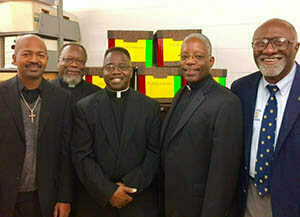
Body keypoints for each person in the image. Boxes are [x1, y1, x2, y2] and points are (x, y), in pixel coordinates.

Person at [71, 47, 161, 217]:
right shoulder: (84, 108)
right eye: (110, 67)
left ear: (131, 71)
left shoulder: (150, 107)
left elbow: (154, 153)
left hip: (137, 199)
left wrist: (128, 186)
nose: (116, 71)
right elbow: (81, 155)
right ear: (102, 71)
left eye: (123, 67)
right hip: (97, 200)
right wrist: (108, 191)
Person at [161, 33, 243, 217]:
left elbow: (224, 173)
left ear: (211, 61)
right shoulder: (181, 94)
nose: (190, 62)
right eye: (184, 57)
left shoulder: (226, 101)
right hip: (173, 202)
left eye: (198, 56)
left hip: (199, 207)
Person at [231, 18, 300, 217]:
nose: (268, 50)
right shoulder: (241, 89)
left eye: (279, 42)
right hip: (250, 196)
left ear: (296, 48)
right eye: (260, 43)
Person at [0, 34, 73, 217]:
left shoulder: (62, 99)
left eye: (40, 55)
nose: (34, 60)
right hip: (5, 196)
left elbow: (66, 154)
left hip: (44, 199)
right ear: (14, 58)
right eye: (27, 54)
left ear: (47, 60)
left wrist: (64, 198)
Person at [50, 43, 101, 217]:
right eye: (69, 59)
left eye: (80, 61)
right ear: (58, 61)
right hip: (53, 177)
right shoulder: (46, 92)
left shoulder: (97, 96)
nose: (74, 65)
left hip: (86, 180)